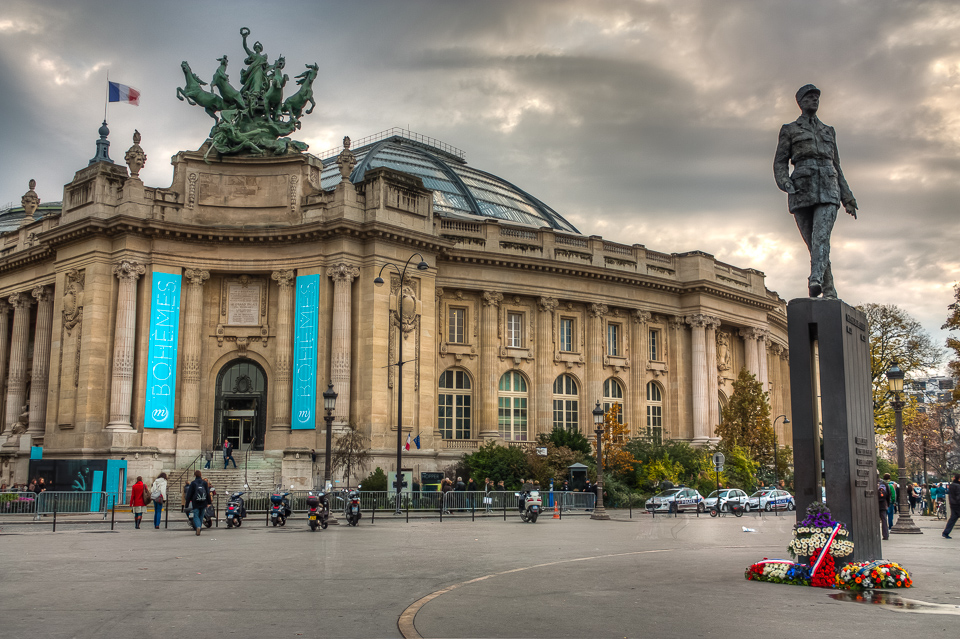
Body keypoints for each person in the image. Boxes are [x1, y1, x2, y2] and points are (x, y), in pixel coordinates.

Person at [773, 84, 858, 299]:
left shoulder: (828, 131)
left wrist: (847, 196)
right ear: (800, 103)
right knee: (813, 244)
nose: (814, 101)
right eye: (810, 97)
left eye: (816, 98)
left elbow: (837, 165)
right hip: (802, 189)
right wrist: (785, 183)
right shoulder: (789, 129)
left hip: (829, 189)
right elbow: (780, 162)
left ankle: (815, 278)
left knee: (821, 237)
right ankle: (829, 289)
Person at [183, 470, 209, 536]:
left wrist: (186, 504)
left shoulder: (193, 483)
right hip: (203, 501)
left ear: (195, 475)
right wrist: (209, 502)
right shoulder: (204, 483)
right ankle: (199, 527)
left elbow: (189, 494)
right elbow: (207, 493)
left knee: (196, 515)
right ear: (201, 475)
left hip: (196, 502)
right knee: (201, 515)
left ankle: (197, 527)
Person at [943, 474, 960, 539]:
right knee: (952, 519)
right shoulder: (958, 486)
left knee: (953, 519)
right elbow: (959, 496)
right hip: (958, 505)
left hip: (953, 504)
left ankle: (946, 532)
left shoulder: (951, 485)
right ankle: (946, 532)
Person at [877, 476, 891, 540]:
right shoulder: (884, 484)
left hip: (874, 504)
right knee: (884, 519)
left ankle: (875, 534)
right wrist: (887, 504)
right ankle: (885, 535)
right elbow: (889, 494)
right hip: (883, 504)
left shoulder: (872, 482)